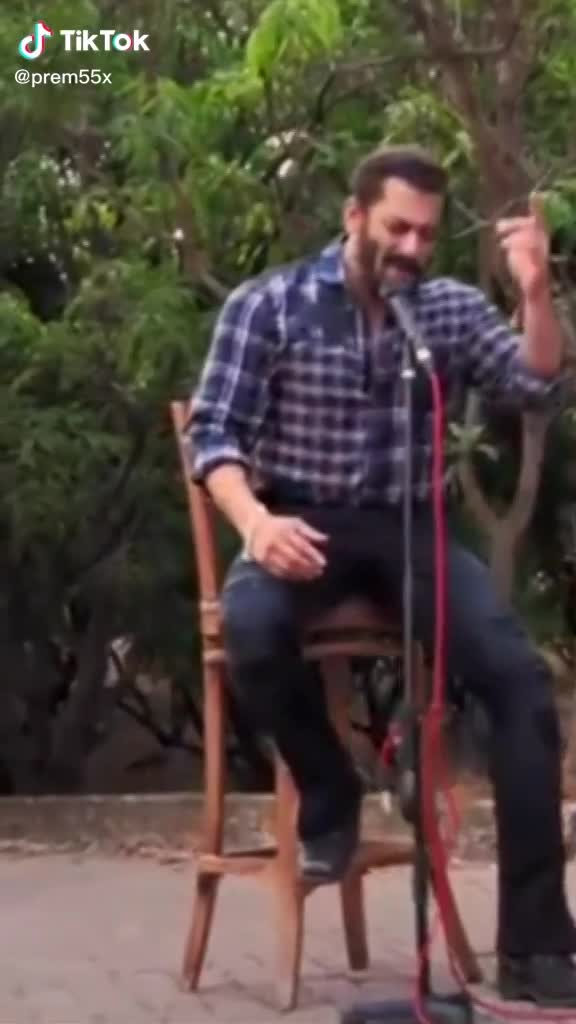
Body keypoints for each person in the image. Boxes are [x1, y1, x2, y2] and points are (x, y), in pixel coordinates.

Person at [185, 144, 576, 1006]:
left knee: (517, 681)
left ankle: (539, 950)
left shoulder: (445, 310)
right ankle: (330, 792)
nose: (412, 248)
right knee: (250, 627)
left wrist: (536, 294)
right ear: (355, 216)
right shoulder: (270, 303)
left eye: (427, 235)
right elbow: (211, 436)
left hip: (409, 525)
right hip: (297, 518)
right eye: (397, 228)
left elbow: (537, 385)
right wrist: (256, 524)